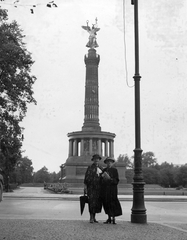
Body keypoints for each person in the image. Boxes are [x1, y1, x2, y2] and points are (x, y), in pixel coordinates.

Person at [101, 157, 122, 224]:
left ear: (112, 163)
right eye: (108, 162)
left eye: (110, 162)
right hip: (105, 190)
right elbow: (101, 181)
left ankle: (113, 218)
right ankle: (109, 217)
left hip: (112, 190)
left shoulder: (115, 170)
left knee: (113, 203)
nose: (109, 163)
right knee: (106, 203)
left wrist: (110, 179)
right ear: (106, 163)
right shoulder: (104, 170)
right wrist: (102, 178)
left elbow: (116, 180)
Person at [84, 154, 102, 223]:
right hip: (91, 188)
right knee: (91, 202)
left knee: (97, 203)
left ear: (99, 160)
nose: (96, 160)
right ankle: (91, 217)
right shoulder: (90, 167)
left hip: (98, 188)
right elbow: (86, 178)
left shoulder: (101, 168)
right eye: (95, 159)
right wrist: (85, 187)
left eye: (97, 159)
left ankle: (94, 217)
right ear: (93, 160)